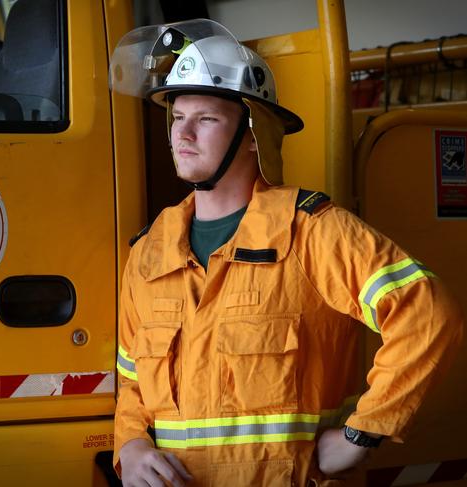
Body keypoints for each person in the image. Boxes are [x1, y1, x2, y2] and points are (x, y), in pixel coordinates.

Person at [109, 19, 463, 486]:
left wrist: (363, 433)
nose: (183, 134)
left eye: (206, 118)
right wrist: (130, 444)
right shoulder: (150, 253)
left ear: (255, 134)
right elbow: (133, 377)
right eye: (177, 117)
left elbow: (427, 315)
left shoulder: (312, 232)